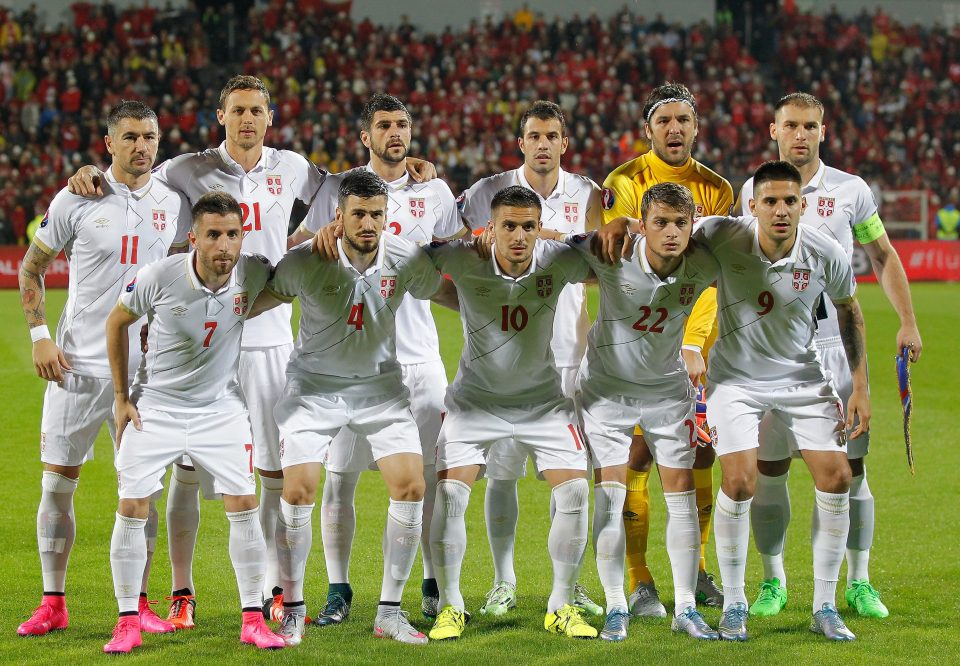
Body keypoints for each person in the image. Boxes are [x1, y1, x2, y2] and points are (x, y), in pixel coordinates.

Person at [67, 76, 437, 626]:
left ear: (270, 117)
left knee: (270, 474)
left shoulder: (293, 168)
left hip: (267, 336)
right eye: (238, 109)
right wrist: (93, 174)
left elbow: (352, 187)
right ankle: (180, 591)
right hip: (202, 340)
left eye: (257, 110)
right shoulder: (185, 169)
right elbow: (135, 178)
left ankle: (269, 593)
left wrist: (409, 172)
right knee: (185, 472)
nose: (247, 119)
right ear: (221, 116)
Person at [598, 160, 869, 642]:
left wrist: (860, 386)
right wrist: (624, 223)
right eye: (770, 201)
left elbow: (849, 311)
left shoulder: (825, 252)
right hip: (736, 380)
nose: (781, 210)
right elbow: (667, 227)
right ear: (753, 205)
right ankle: (736, 601)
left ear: (802, 205)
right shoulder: (723, 234)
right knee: (740, 481)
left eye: (790, 201)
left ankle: (825, 606)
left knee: (838, 476)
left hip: (802, 376)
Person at [739, 93, 922, 620]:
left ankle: (858, 580)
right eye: (791, 125)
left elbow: (881, 255)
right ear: (774, 130)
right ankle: (774, 581)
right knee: (770, 469)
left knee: (851, 469)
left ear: (824, 130)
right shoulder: (754, 191)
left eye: (810, 126)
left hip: (835, 346)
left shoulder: (850, 192)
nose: (801, 135)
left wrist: (907, 319)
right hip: (771, 347)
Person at [256, 170, 453, 646]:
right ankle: (295, 608)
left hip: (381, 390)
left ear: (387, 218)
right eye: (358, 214)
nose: (368, 223)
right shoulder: (307, 259)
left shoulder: (405, 258)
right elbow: (254, 300)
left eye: (376, 215)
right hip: (313, 391)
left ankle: (388, 611)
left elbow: (448, 292)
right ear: (338, 217)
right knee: (300, 490)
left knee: (411, 486)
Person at [16, 100, 189, 638]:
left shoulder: (174, 202)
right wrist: (40, 337)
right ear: (109, 143)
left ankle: (139, 605)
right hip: (74, 368)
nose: (142, 146)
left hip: (145, 376)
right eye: (131, 136)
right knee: (56, 486)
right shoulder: (76, 196)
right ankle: (53, 602)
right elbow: (32, 268)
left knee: (141, 493)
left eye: (151, 136)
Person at [290, 93, 463, 624]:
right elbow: (295, 247)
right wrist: (313, 235)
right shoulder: (341, 191)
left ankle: (432, 584)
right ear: (366, 136)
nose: (396, 133)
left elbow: (455, 254)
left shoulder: (433, 189)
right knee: (340, 478)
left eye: (403, 124)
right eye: (384, 125)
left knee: (428, 478)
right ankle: (339, 588)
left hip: (419, 358)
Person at [102, 191, 282, 653]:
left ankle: (252, 619)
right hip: (156, 407)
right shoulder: (160, 276)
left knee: (243, 502)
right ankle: (126, 621)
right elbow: (116, 323)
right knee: (132, 508)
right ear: (193, 238)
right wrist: (123, 398)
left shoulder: (254, 271)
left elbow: (297, 273)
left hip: (221, 409)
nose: (225, 246)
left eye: (233, 235)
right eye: (214, 235)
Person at [425, 186, 597, 641]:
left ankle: (561, 604)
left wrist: (570, 235)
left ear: (539, 229)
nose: (518, 236)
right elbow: (411, 254)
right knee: (449, 496)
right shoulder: (464, 258)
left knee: (577, 491)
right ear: (490, 228)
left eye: (528, 226)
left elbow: (609, 256)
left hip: (542, 402)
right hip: (473, 402)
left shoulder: (557, 259)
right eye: (508, 226)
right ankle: (451, 605)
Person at [456, 100, 604, 619]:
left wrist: (552, 238)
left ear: (565, 143)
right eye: (535, 135)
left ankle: (573, 583)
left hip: (570, 355)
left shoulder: (588, 193)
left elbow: (597, 263)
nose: (544, 144)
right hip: (503, 360)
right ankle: (503, 580)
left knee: (574, 478)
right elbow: (451, 237)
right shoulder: (486, 193)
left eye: (553, 136)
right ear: (521, 142)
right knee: (502, 474)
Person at [568, 183, 721, 641]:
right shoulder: (611, 252)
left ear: (691, 225)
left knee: (681, 496)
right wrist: (622, 224)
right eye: (660, 222)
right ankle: (617, 605)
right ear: (643, 224)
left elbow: (742, 236)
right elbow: (551, 240)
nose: (671, 232)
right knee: (611, 498)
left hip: (666, 392)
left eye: (680, 223)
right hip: (606, 394)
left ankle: (686, 608)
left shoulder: (704, 261)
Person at [601, 82, 732, 615]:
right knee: (637, 453)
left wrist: (694, 342)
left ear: (697, 127)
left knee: (699, 451)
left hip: (697, 343)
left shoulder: (717, 189)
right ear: (648, 129)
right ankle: (639, 580)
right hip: (638, 343)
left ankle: (696, 569)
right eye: (665, 121)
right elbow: (630, 256)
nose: (675, 129)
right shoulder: (625, 182)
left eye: (684, 120)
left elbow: (711, 275)